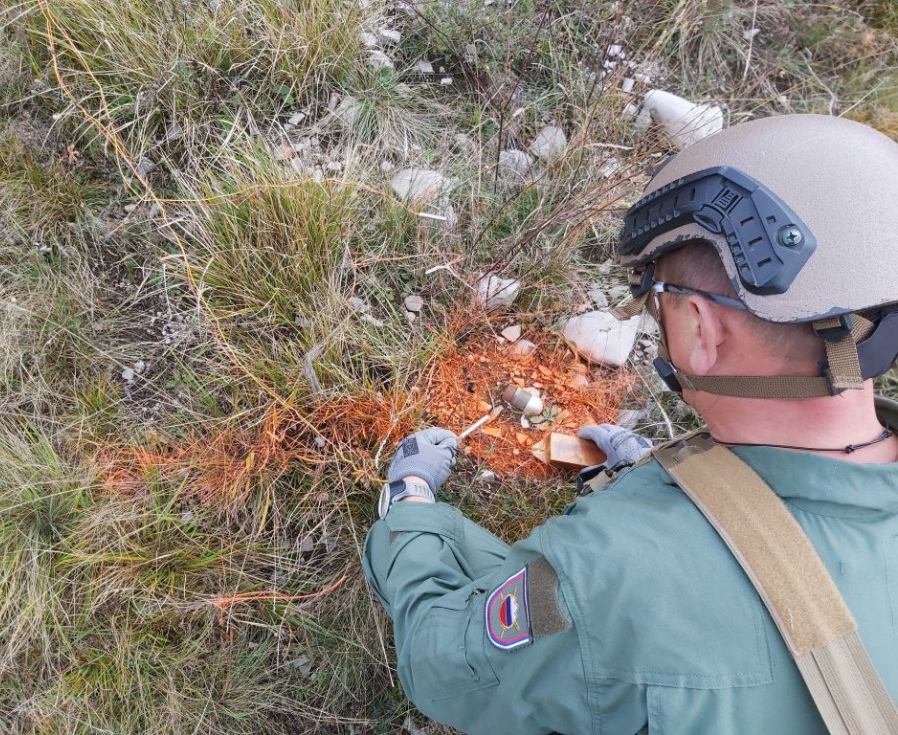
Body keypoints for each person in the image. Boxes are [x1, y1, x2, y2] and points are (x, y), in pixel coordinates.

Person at [361, 114, 898, 734]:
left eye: (657, 297)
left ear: (701, 327)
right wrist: (708, 487)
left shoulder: (604, 575)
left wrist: (411, 513)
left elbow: (442, 665)